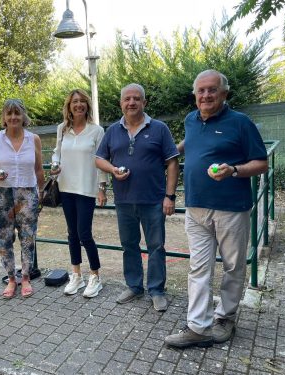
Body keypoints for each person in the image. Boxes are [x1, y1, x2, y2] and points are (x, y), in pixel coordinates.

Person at [164, 70, 268, 348]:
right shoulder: (190, 119)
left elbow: (261, 163)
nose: (206, 96)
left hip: (231, 210)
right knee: (198, 268)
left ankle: (226, 317)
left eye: (212, 90)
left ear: (224, 93)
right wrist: (173, 150)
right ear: (195, 95)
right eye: (201, 91)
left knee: (233, 267)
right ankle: (198, 326)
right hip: (196, 207)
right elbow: (192, 141)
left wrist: (233, 170)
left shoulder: (241, 123)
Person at [95, 83, 179, 312]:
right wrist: (112, 170)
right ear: (121, 103)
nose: (131, 103)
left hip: (153, 199)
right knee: (129, 245)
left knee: (156, 246)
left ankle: (156, 290)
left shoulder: (160, 128)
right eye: (127, 99)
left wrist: (169, 196)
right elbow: (99, 159)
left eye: (136, 99)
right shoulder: (113, 130)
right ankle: (134, 286)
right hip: (123, 200)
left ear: (144, 102)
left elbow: (172, 162)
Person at [50, 89, 108, 298]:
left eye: (83, 101)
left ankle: (95, 276)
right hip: (65, 187)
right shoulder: (62, 129)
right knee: (72, 233)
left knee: (84, 233)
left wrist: (102, 188)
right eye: (75, 101)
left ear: (87, 105)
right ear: (69, 106)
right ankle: (77, 274)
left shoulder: (96, 130)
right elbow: (57, 152)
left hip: (86, 188)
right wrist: (54, 165)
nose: (79, 104)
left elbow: (101, 160)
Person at [0, 99, 44, 299]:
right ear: (4, 117)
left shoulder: (33, 139)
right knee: (5, 237)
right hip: (2, 194)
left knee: (27, 237)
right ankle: (11, 278)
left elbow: (38, 169)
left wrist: (42, 192)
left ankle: (25, 277)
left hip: (27, 195)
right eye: (9, 114)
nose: (13, 117)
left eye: (17, 113)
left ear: (23, 116)